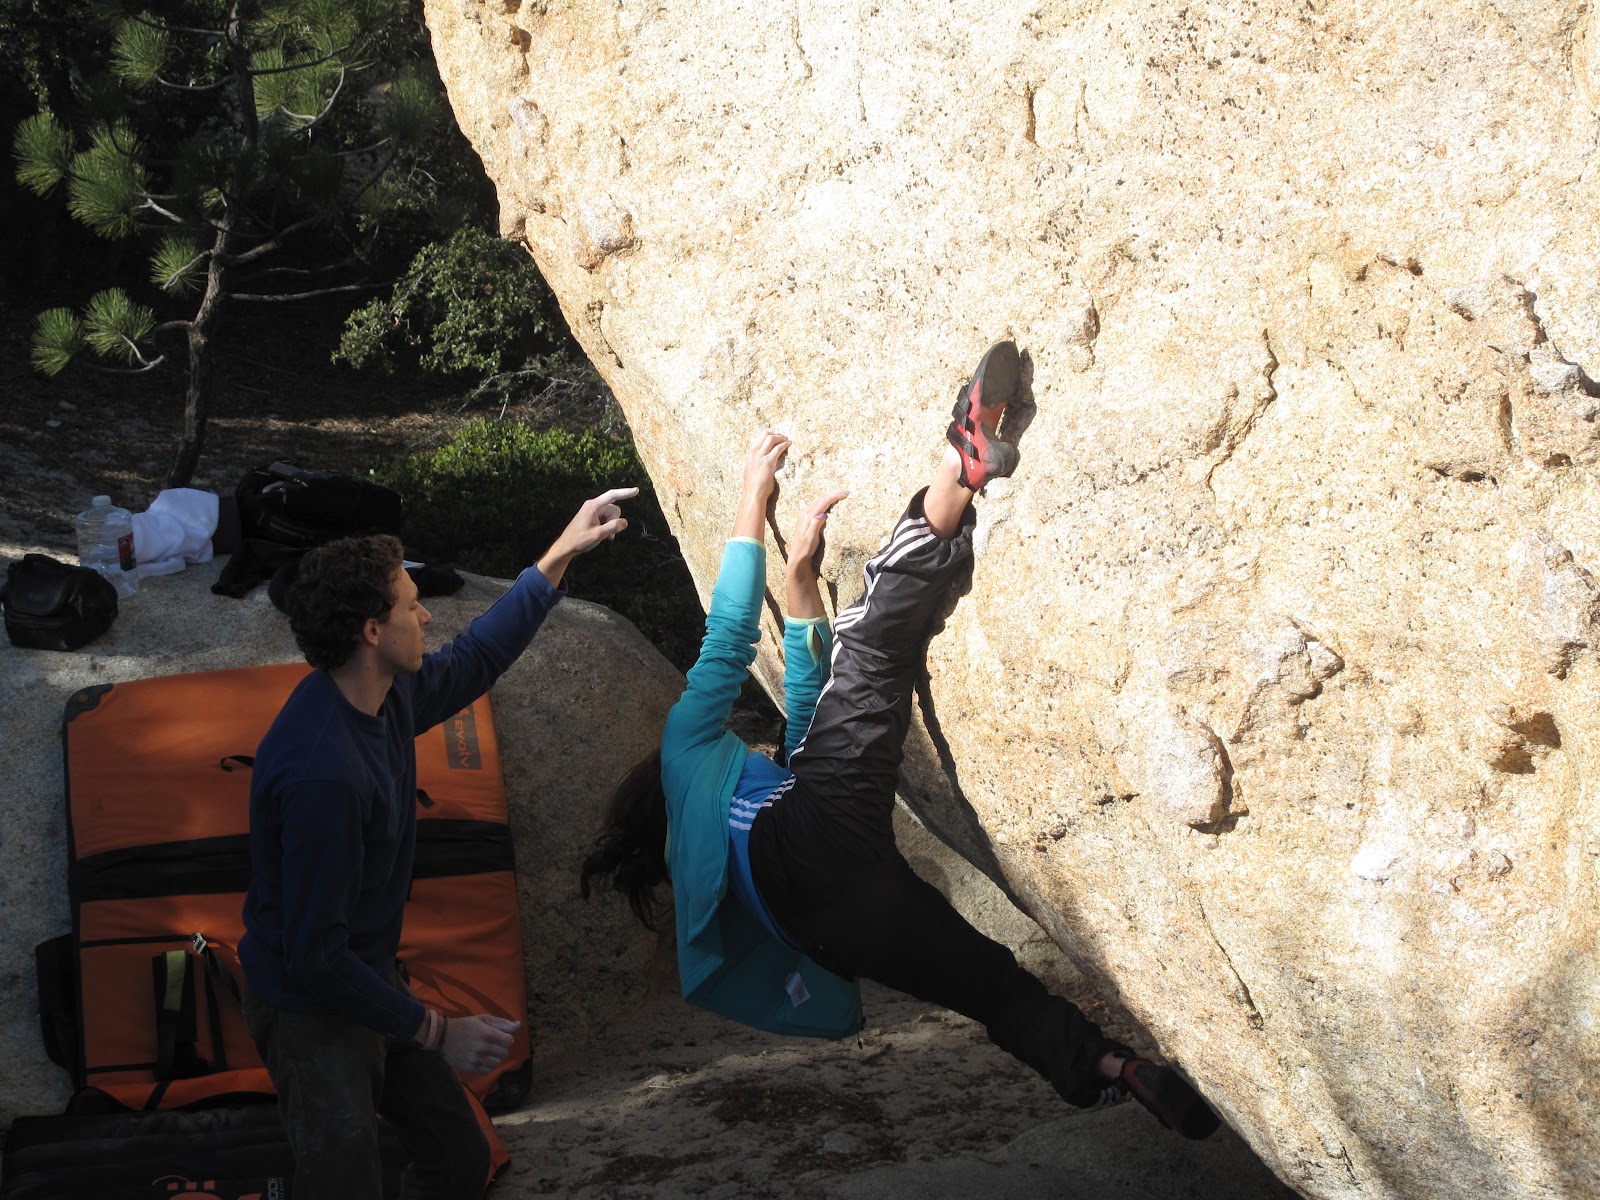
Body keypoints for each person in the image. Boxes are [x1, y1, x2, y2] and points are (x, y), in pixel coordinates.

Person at [582, 342, 1219, 1139]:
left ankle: (1110, 1069)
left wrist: (801, 583)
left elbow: (811, 724)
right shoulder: (687, 753)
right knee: (874, 647)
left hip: (831, 926)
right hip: (805, 842)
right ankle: (962, 462)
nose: (745, 750)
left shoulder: (714, 858)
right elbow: (729, 637)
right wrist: (751, 498)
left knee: (989, 988)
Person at [241, 485, 637, 1199]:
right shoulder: (324, 774)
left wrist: (559, 554)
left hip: (368, 981)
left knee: (458, 1159)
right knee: (343, 1184)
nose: (426, 616)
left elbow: (477, 658)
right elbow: (313, 955)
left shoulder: (382, 694)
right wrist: (435, 1032)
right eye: (411, 605)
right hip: (310, 1010)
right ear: (371, 631)